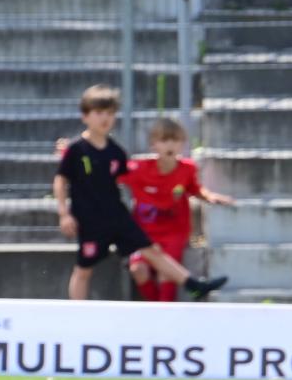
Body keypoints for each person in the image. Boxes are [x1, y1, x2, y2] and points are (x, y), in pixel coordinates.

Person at [53, 85, 227, 301]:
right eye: (98, 112)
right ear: (85, 116)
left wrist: (169, 172)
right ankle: (77, 311)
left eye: (110, 113)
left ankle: (194, 285)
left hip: (117, 215)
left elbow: (132, 177)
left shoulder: (116, 151)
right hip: (90, 219)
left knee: (150, 250)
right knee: (84, 269)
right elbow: (61, 180)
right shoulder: (76, 150)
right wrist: (64, 213)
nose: (105, 118)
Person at [120, 117, 235, 302]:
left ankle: (165, 311)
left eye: (175, 140)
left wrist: (210, 196)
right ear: (153, 144)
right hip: (144, 233)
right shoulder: (138, 169)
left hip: (174, 232)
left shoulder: (187, 169)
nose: (170, 145)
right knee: (138, 269)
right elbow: (110, 175)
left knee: (167, 274)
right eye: (164, 140)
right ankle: (156, 309)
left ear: (183, 143)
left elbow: (195, 189)